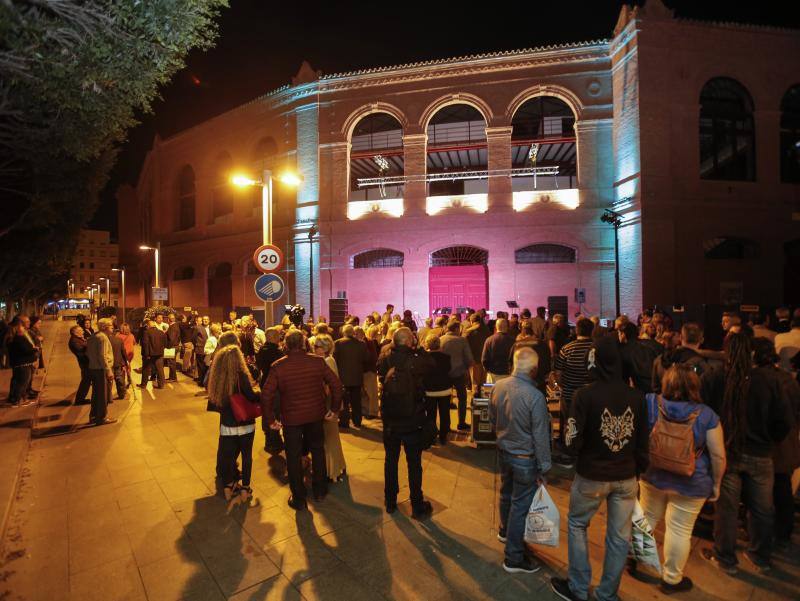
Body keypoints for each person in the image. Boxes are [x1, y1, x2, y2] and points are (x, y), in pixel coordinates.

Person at [551, 336, 649, 601]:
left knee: (577, 524)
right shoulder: (636, 396)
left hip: (592, 473)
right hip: (626, 475)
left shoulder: (585, 395)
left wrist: (578, 451)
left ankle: (579, 587)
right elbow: (642, 439)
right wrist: (639, 467)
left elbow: (572, 438)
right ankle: (607, 594)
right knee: (619, 537)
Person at [700, 333, 792, 574]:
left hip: (727, 452)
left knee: (727, 509)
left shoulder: (716, 378)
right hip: (761, 454)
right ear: (751, 353)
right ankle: (760, 556)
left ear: (725, 352)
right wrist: (770, 440)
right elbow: (783, 420)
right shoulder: (770, 381)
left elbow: (704, 413)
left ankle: (725, 558)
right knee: (762, 508)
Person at [637, 365, 726, 593]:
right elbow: (717, 454)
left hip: (653, 474)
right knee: (679, 530)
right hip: (691, 482)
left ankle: (637, 562)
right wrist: (716, 484)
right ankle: (671, 579)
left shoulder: (649, 402)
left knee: (645, 519)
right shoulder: (707, 415)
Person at [261, 330, 342, 510]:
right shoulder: (317, 362)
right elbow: (336, 384)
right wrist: (335, 409)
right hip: (315, 415)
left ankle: (299, 497)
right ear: (304, 343)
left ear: (286, 345)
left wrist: (271, 420)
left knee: (293, 455)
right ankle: (320, 490)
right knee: (318, 450)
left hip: (291, 419)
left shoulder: (278, 366)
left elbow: (266, 395)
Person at [490, 347, 552, 574]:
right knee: (520, 506)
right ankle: (514, 557)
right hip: (525, 458)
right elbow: (541, 436)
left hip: (504, 451)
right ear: (534, 369)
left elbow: (492, 416)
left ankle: (505, 532)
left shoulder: (498, 386)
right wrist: (545, 466)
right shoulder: (535, 397)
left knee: (506, 494)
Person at [377, 327, 434, 519]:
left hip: (390, 419)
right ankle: (417, 504)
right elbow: (432, 366)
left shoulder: (385, 357)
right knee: (414, 463)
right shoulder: (417, 359)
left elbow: (380, 373)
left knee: (390, 460)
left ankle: (390, 501)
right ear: (411, 341)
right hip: (412, 418)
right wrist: (419, 348)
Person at [207, 343, 260, 501]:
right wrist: (259, 394)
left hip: (227, 424)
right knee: (246, 456)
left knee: (228, 456)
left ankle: (228, 487)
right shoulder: (240, 375)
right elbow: (250, 396)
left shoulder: (217, 378)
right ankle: (245, 488)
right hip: (244, 422)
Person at [554, 318, 595, 453]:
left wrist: (562, 385)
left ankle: (569, 449)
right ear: (591, 330)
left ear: (576, 330)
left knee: (569, 421)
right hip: (591, 393)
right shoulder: (597, 348)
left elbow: (558, 373)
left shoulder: (567, 348)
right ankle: (588, 448)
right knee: (590, 421)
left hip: (570, 392)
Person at [312, 334, 347, 481]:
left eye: (316, 347)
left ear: (324, 348)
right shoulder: (327, 359)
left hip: (328, 405)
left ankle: (332, 471)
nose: (314, 349)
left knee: (329, 438)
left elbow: (329, 387)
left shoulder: (327, 361)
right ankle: (337, 467)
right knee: (331, 437)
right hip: (332, 404)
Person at [651, 322, 720, 393]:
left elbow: (655, 389)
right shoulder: (702, 365)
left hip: (664, 402)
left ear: (680, 337)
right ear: (702, 340)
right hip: (692, 403)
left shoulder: (659, 360)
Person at [440, 320, 474, 432]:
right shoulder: (462, 340)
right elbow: (469, 358)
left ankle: (446, 426)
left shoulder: (441, 340)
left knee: (445, 400)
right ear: (455, 329)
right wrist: (468, 367)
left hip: (444, 374)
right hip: (459, 373)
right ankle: (461, 422)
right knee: (462, 398)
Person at [333, 324, 367, 429]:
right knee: (356, 401)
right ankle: (357, 421)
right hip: (357, 377)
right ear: (353, 333)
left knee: (344, 401)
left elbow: (335, 360)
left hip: (343, 377)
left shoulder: (338, 343)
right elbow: (366, 358)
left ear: (343, 332)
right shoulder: (361, 344)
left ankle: (344, 422)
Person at [422, 334, 452, 445]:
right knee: (445, 413)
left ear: (427, 344)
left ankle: (432, 436)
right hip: (444, 389)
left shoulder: (424, 358)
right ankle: (443, 436)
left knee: (431, 414)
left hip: (429, 391)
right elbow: (449, 371)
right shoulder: (446, 357)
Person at [85, 318, 116, 426]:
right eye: (111, 325)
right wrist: (108, 371)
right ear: (105, 327)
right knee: (103, 395)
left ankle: (93, 416)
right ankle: (101, 417)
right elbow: (102, 356)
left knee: (96, 394)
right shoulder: (103, 338)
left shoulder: (94, 336)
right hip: (101, 370)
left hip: (93, 368)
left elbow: (88, 353)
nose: (113, 327)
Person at [5, 317, 37, 406]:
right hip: (23, 364)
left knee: (20, 382)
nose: (24, 330)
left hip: (20, 363)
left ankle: (20, 399)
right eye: (22, 328)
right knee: (22, 383)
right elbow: (25, 350)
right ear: (19, 328)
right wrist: (34, 349)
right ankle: (16, 401)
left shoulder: (14, 338)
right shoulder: (18, 339)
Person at [482, 318, 515, 384]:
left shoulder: (489, 340)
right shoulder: (512, 341)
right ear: (506, 327)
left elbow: (484, 359)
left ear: (496, 327)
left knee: (493, 393)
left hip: (493, 374)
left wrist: (488, 370)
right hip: (508, 374)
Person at [465, 313, 490, 395]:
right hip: (485, 360)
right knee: (483, 383)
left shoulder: (469, 332)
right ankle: (483, 403)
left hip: (474, 360)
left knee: (475, 384)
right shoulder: (487, 330)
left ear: (472, 321)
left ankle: (475, 403)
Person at [68, 324, 92, 405]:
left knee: (86, 381)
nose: (83, 331)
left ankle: (81, 399)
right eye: (81, 330)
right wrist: (88, 344)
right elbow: (82, 352)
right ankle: (79, 400)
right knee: (85, 381)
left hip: (86, 363)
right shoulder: (74, 341)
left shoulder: (78, 339)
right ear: (75, 332)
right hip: (85, 364)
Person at [360, 326, 380, 418]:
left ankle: (372, 412)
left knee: (371, 393)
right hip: (363, 370)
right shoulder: (364, 343)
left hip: (369, 370)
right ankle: (365, 410)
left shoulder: (368, 342)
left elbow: (372, 357)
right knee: (365, 393)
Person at [140, 320, 166, 388]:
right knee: (160, 369)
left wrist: (146, 354)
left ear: (148, 326)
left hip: (149, 354)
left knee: (146, 369)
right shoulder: (161, 332)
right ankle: (161, 385)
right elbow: (165, 343)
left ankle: (143, 384)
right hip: (159, 354)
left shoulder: (146, 332)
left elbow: (145, 344)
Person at [109, 328, 128, 400]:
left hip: (108, 364)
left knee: (109, 381)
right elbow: (123, 352)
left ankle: (108, 397)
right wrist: (126, 362)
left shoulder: (105, 340)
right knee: (119, 379)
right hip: (118, 363)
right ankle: (121, 394)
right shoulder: (119, 340)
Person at [116, 323, 135, 389]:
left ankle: (123, 382)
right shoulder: (131, 335)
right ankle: (129, 379)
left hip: (123, 354)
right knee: (128, 365)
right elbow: (134, 343)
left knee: (123, 367)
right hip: (130, 354)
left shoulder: (118, 336)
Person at [194, 316, 211, 384]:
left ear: (209, 320)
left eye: (206, 319)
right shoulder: (198, 328)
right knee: (201, 367)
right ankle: (201, 382)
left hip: (210, 350)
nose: (205, 320)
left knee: (207, 366)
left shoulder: (211, 328)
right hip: (200, 349)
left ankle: (206, 381)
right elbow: (193, 338)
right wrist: (198, 344)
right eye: (204, 319)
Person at [165, 313, 180, 382]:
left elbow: (171, 338)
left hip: (172, 347)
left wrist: (168, 347)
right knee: (172, 362)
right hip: (174, 346)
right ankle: (172, 377)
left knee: (171, 363)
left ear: (168, 319)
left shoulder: (173, 327)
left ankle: (173, 378)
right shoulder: (175, 326)